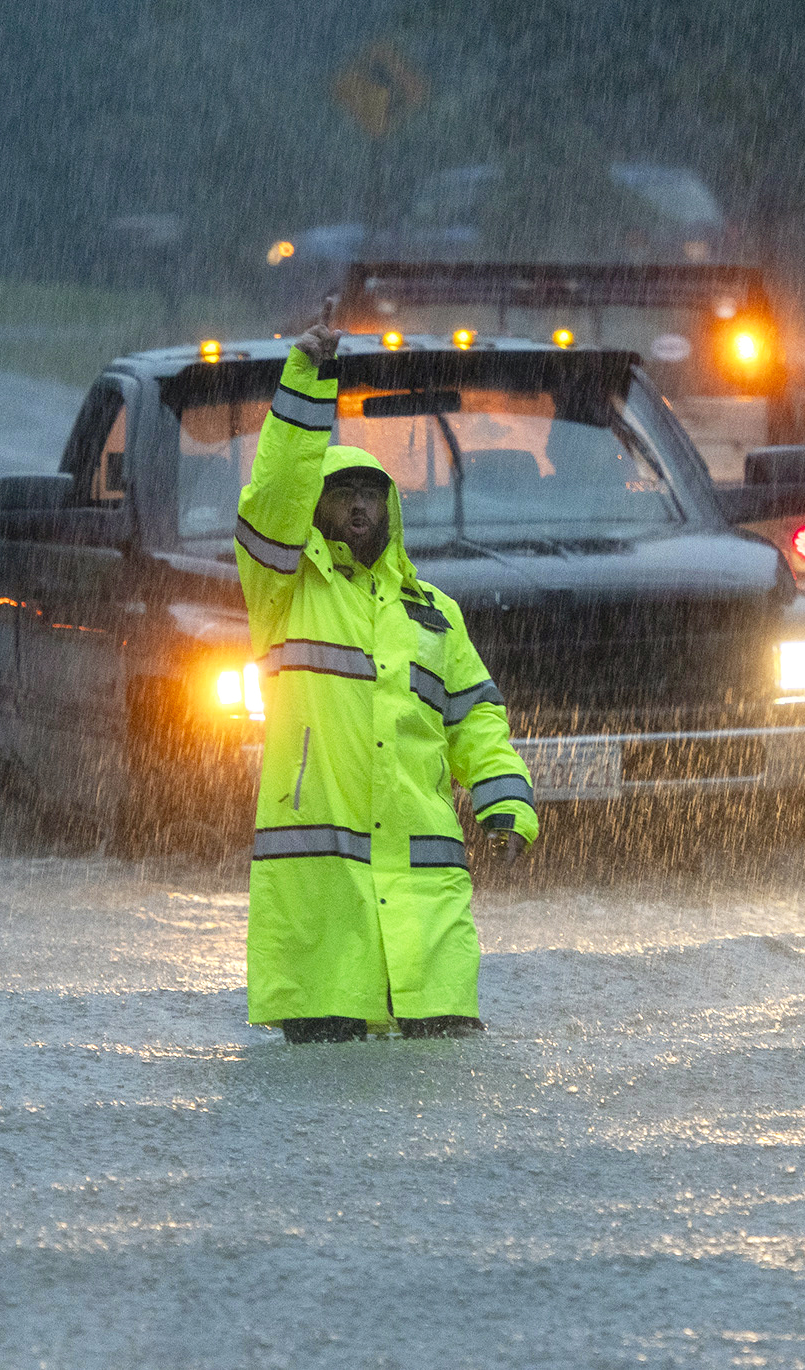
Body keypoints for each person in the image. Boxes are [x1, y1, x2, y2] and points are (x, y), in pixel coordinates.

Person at [235, 312, 538, 1043]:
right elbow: (273, 492)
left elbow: (476, 718)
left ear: (393, 509)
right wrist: (308, 381)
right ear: (316, 510)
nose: (360, 504)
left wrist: (506, 802)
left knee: (445, 1112)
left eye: (372, 492)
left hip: (426, 916)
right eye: (342, 495)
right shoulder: (285, 592)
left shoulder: (435, 615)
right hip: (321, 926)